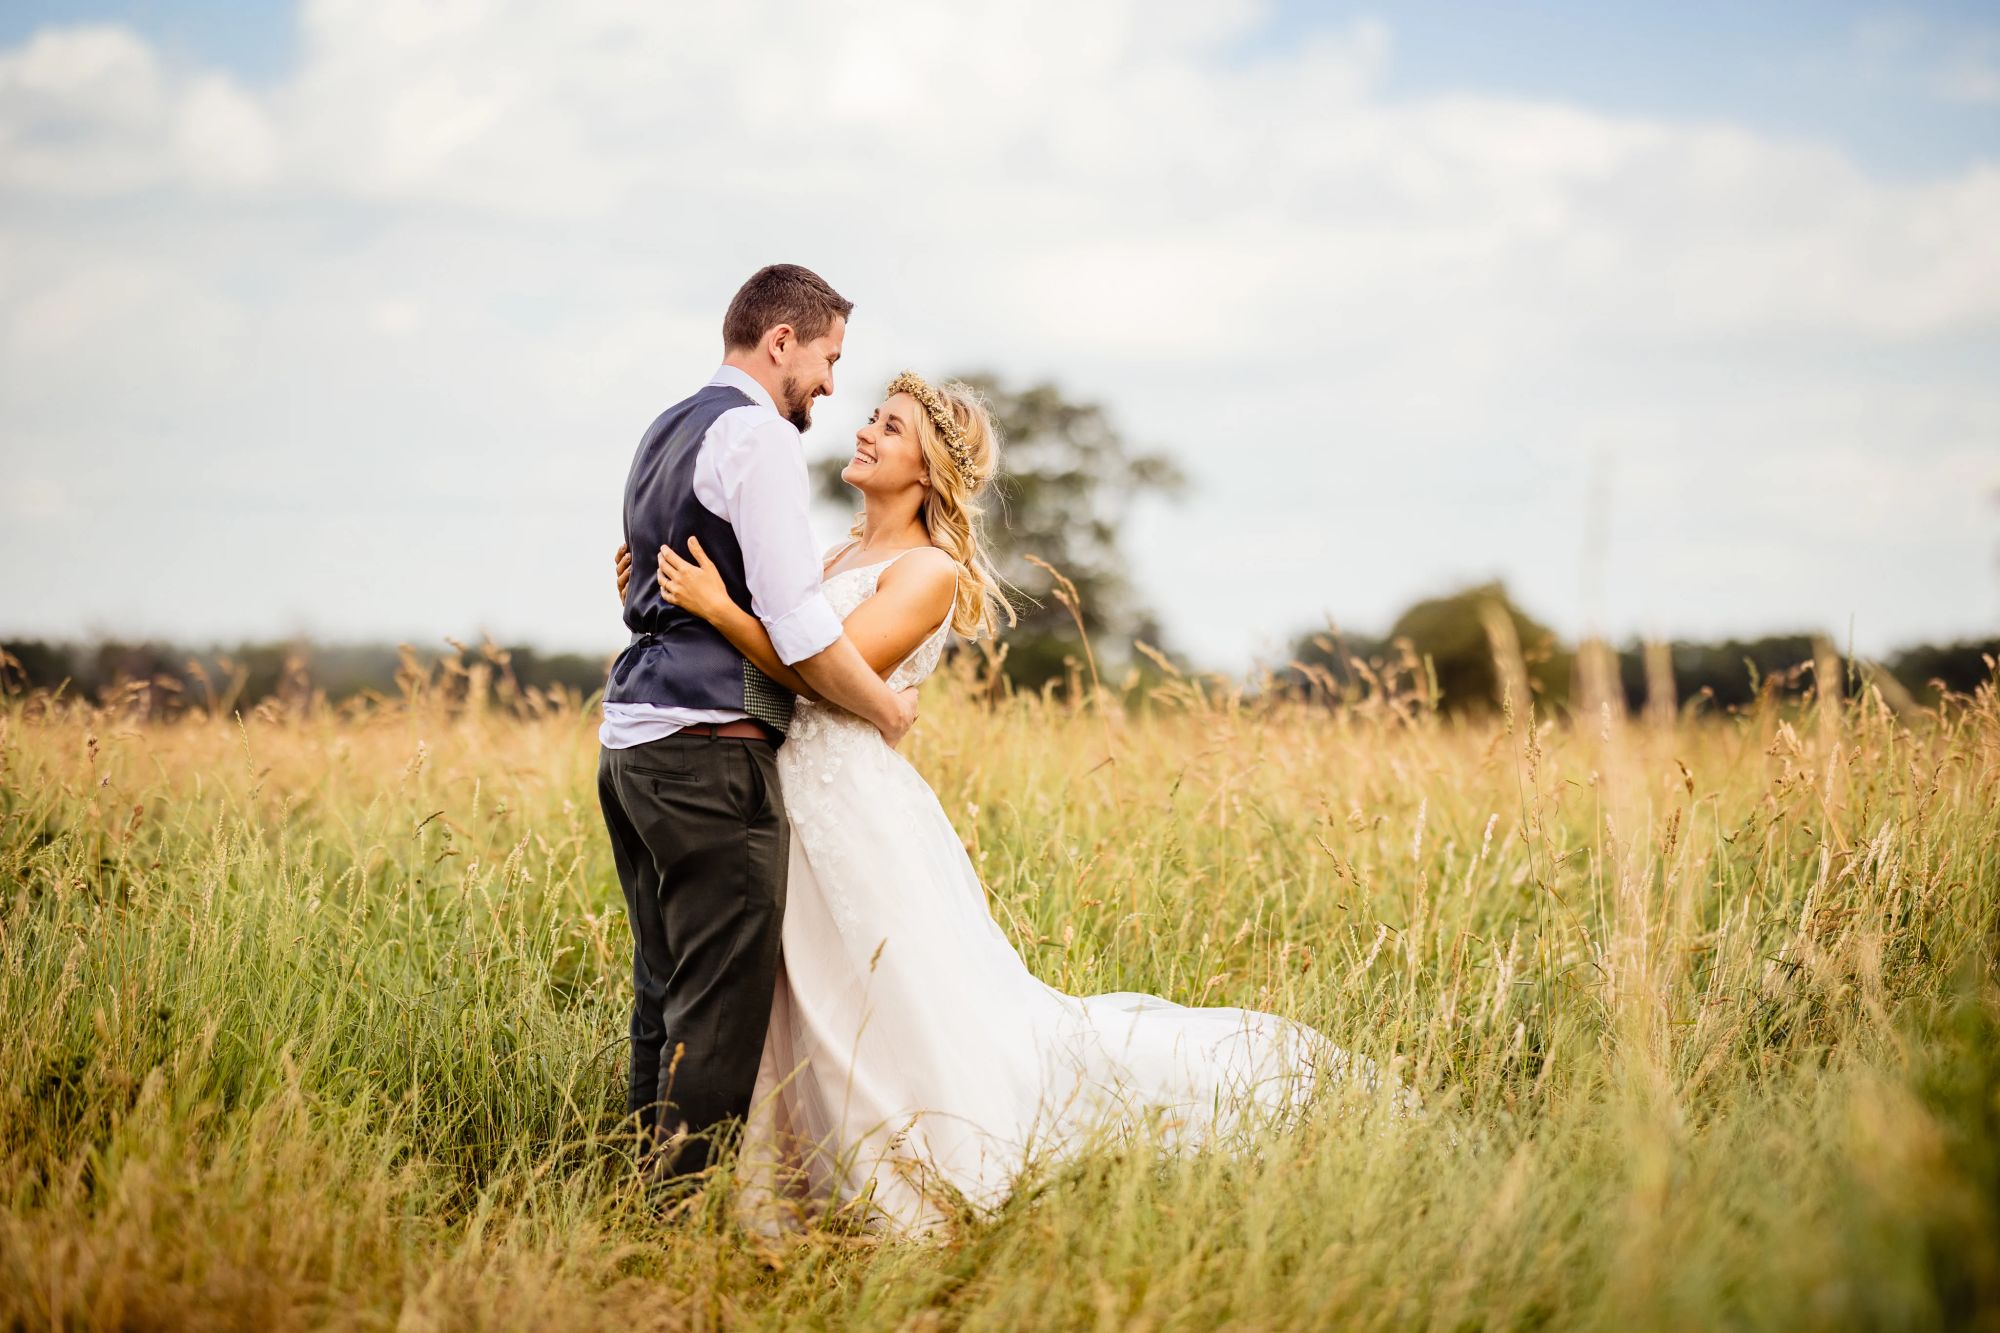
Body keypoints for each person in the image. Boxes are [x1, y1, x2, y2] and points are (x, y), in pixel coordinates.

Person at [622, 371, 1399, 1233]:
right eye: (873, 419)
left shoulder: (928, 571)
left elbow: (817, 666)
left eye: (890, 427)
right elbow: (776, 627)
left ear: (928, 470)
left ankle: (902, 1169)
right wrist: (656, 591)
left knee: (873, 997)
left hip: (850, 806)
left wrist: (723, 613)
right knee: (786, 990)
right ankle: (768, 1172)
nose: (866, 432)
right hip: (779, 791)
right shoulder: (833, 556)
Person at [597, 264, 919, 1186]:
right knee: (719, 1005)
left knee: (662, 988)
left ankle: (634, 1189)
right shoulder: (762, 439)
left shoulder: (667, 426)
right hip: (708, 751)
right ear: (781, 343)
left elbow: (644, 587)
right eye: (827, 359)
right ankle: (678, 1211)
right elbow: (800, 624)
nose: (829, 384)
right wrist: (886, 705)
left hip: (632, 742)